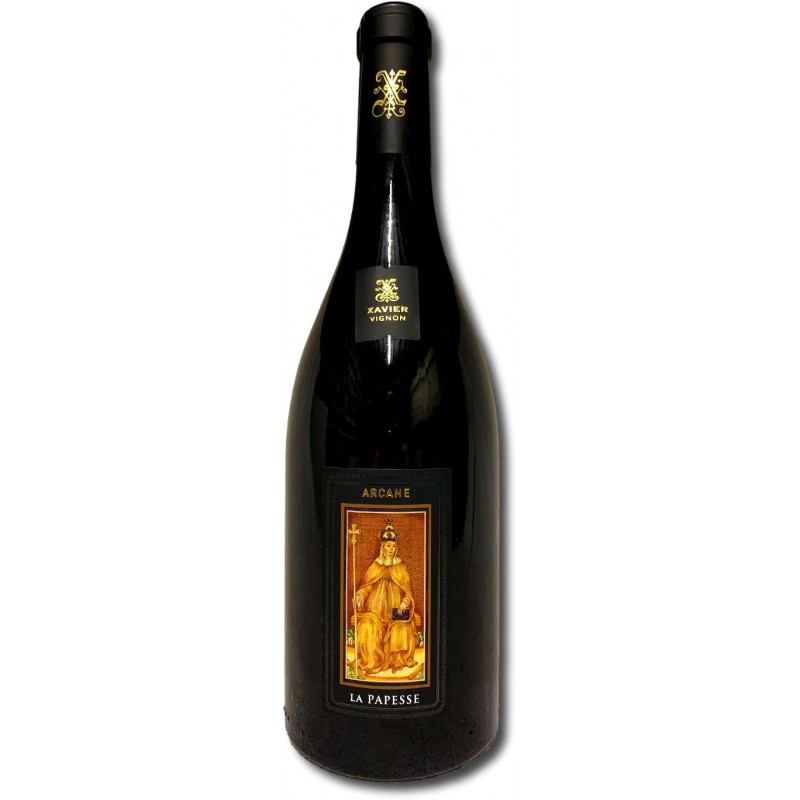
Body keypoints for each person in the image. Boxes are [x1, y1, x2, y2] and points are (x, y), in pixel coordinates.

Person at [352, 520, 419, 675]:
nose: (391, 549)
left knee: (401, 626)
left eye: (394, 546)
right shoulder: (375, 566)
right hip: (375, 613)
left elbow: (407, 592)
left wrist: (404, 603)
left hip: (396, 612)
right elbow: (366, 587)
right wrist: (359, 596)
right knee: (366, 626)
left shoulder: (401, 567)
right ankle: (371, 661)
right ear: (382, 547)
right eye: (388, 545)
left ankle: (397, 661)